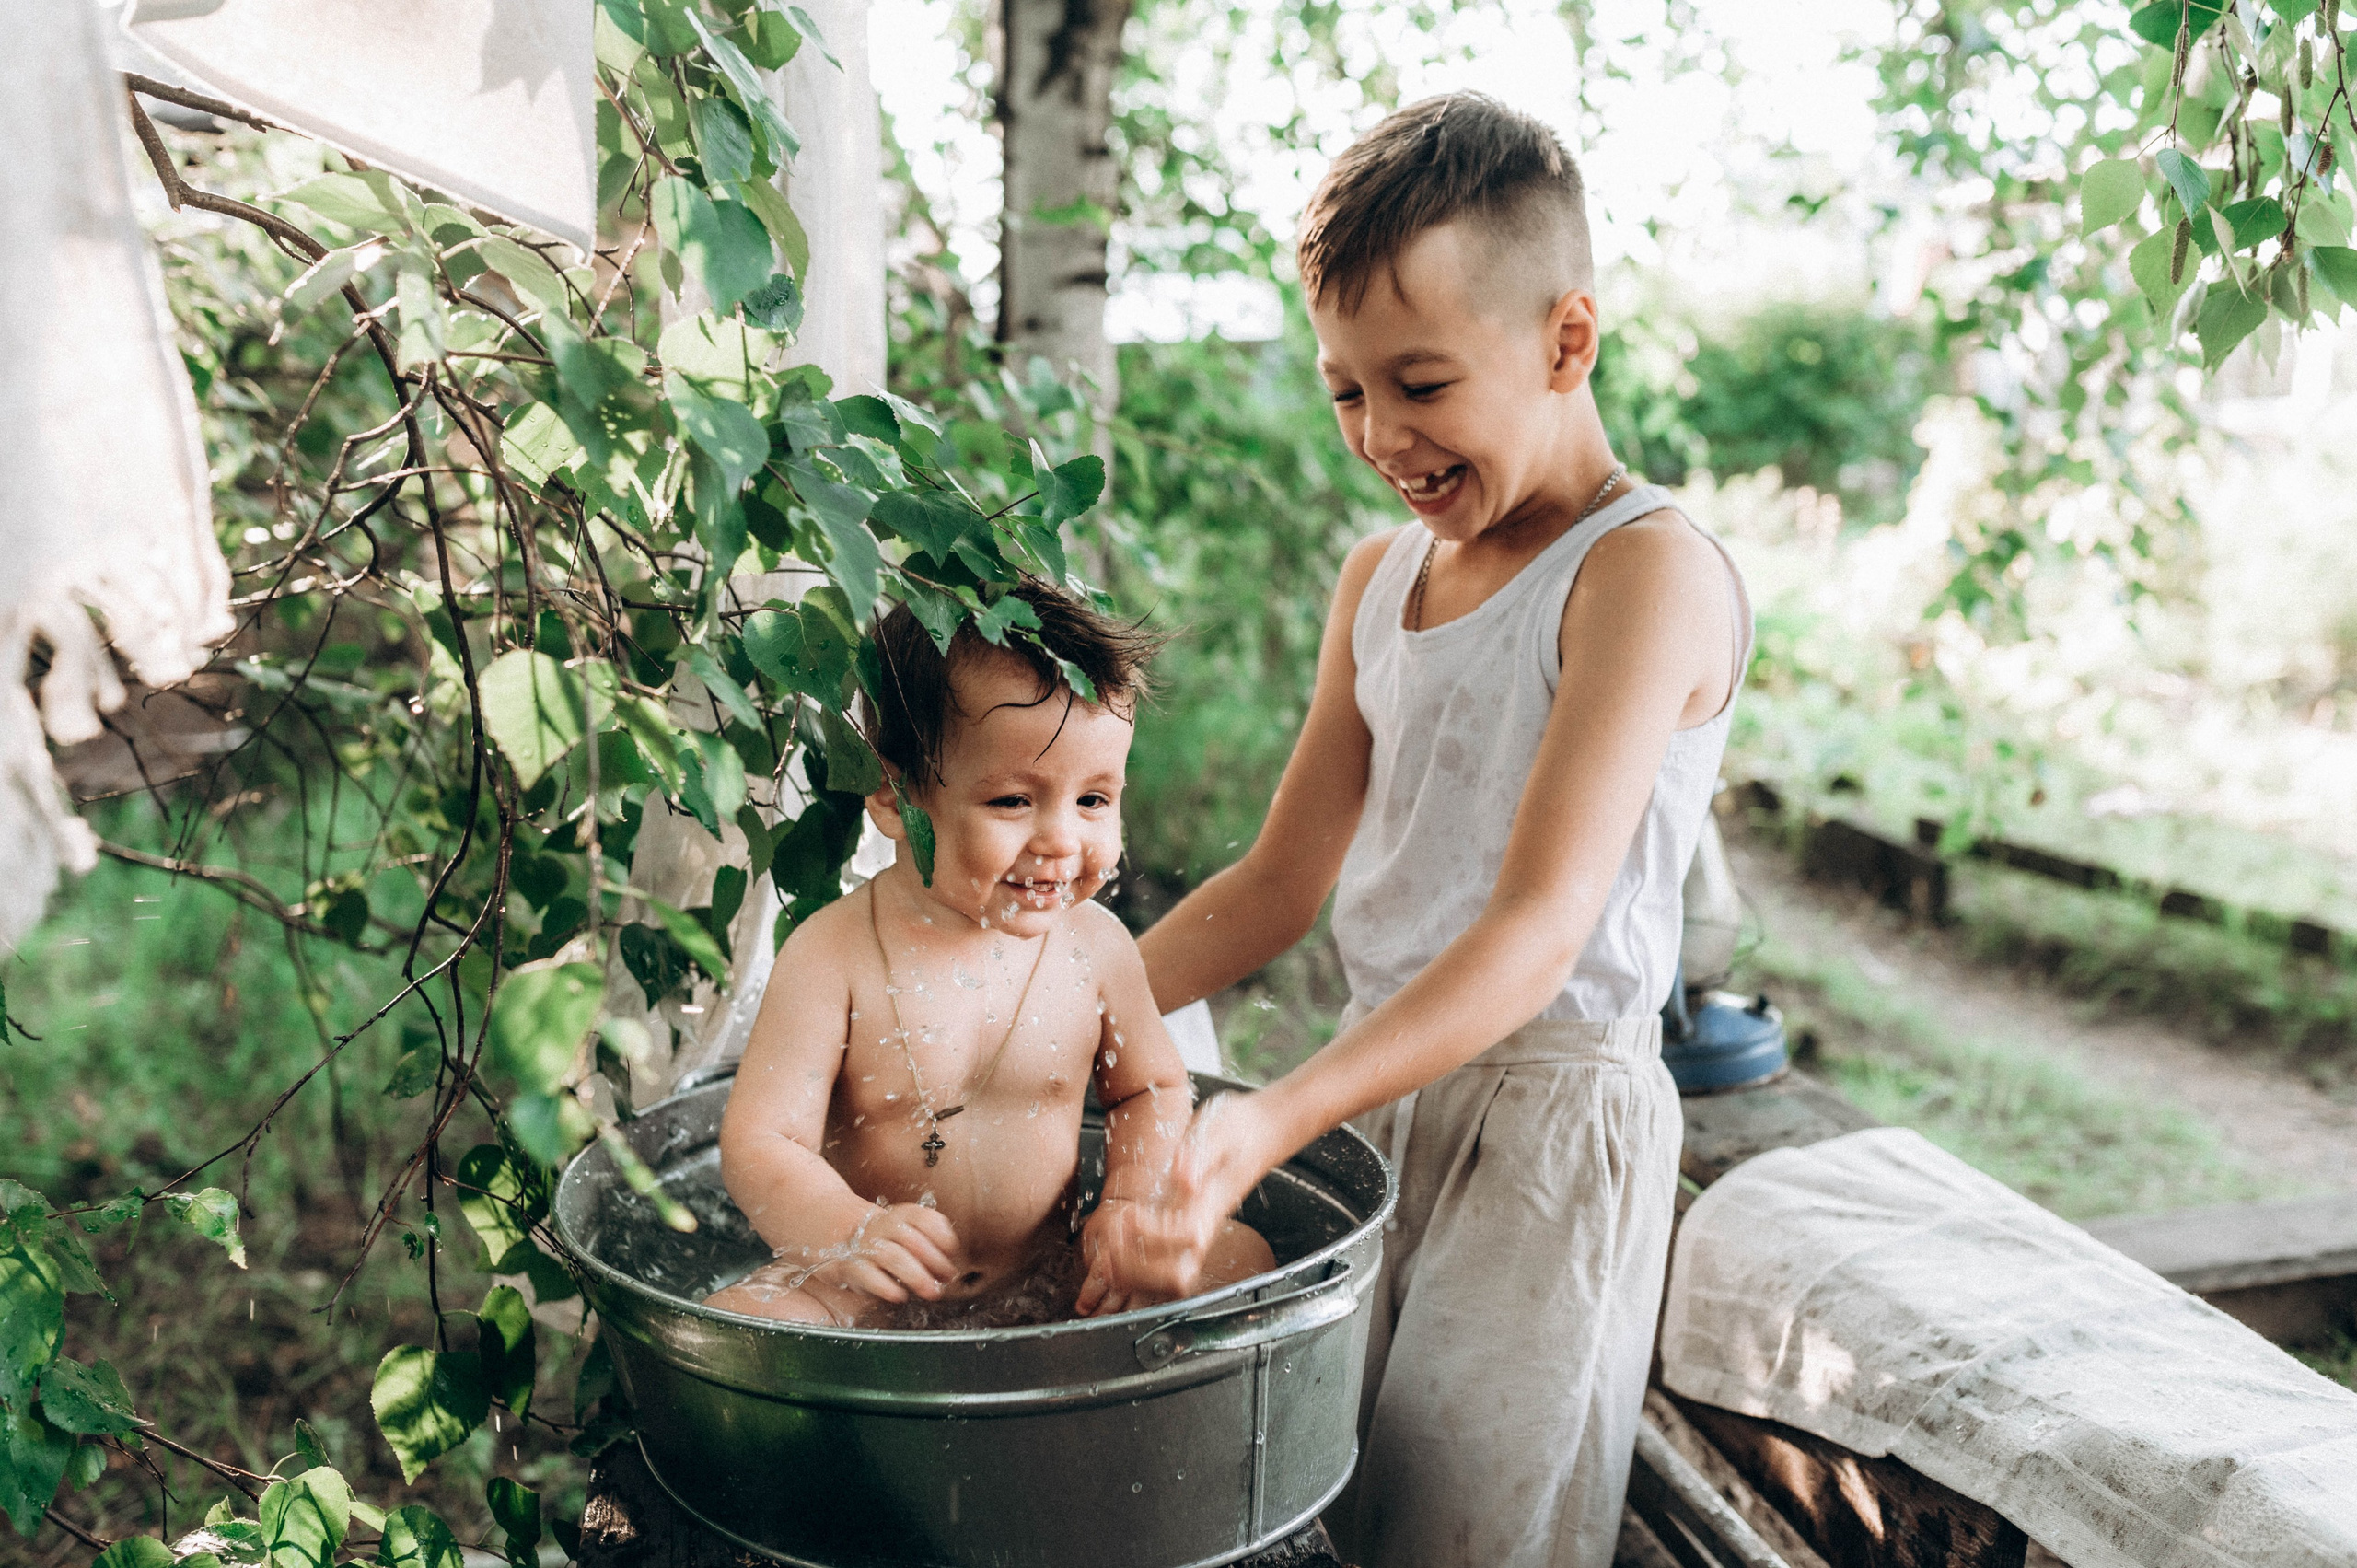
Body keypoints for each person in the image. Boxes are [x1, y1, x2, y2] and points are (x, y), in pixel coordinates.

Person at [1130, 93, 1754, 1567]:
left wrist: (1270, 1113)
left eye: (1420, 382)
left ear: (1565, 341)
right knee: (1322, 1503)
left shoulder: (1643, 571)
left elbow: (1537, 932)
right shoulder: (1380, 579)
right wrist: (1065, 1007)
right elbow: (1282, 877)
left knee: (1470, 1532)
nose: (1382, 436)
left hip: (1550, 1132)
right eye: (1346, 391)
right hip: (1375, 1105)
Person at [707, 580, 1273, 1330]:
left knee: (1243, 1256)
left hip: (1053, 1274)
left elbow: (1152, 1090)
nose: (1063, 841)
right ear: (894, 794)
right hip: (872, 1292)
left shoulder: (1095, 950)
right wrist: (843, 1230)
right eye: (1013, 801)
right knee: (744, 1319)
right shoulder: (832, 956)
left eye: (1095, 799)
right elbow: (761, 1140)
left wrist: (1129, 1202)